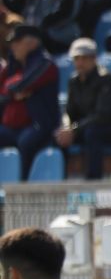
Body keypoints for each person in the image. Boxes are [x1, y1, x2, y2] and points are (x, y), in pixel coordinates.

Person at [55, 38, 111, 181]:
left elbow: (102, 115)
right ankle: (61, 178)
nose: (80, 62)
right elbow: (69, 112)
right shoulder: (73, 81)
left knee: (92, 134)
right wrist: (67, 128)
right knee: (60, 136)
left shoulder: (106, 79)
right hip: (90, 125)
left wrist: (74, 129)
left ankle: (93, 180)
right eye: (76, 58)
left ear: (94, 59)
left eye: (84, 58)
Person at [0, 25, 59, 180]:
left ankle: (23, 188)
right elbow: (9, 90)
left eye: (18, 41)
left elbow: (23, 85)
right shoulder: (15, 66)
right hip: (13, 127)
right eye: (12, 42)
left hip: (39, 124)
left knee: (26, 142)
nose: (13, 46)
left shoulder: (46, 63)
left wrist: (12, 89)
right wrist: (13, 92)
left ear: (33, 42)